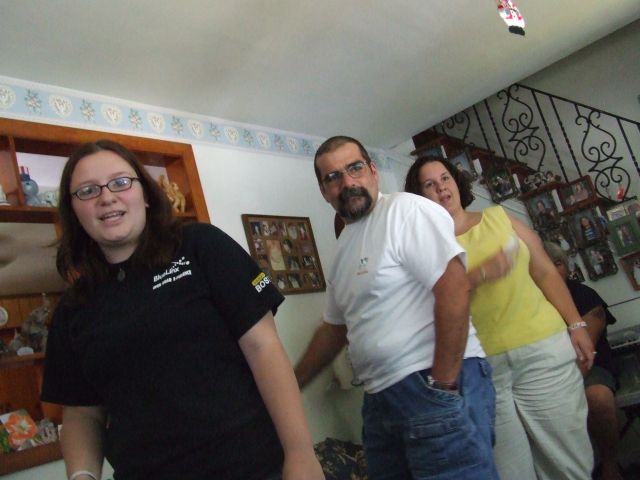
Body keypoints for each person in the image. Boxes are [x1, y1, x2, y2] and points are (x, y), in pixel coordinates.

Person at [41, 140, 323, 480]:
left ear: (145, 194)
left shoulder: (201, 246)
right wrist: (81, 476)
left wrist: (300, 453)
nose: (106, 197)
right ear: (73, 211)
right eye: (87, 191)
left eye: (120, 182)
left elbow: (263, 347)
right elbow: (82, 413)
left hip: (253, 467)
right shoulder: (73, 309)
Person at [295, 136, 498, 479]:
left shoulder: (405, 211)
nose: (348, 182)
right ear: (324, 191)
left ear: (373, 171)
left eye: (355, 168)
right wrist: (290, 385)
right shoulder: (344, 247)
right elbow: (334, 330)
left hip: (430, 383)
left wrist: (443, 385)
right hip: (379, 401)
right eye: (333, 177)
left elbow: (453, 288)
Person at [405, 156, 595, 480]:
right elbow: (426, 306)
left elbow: (545, 271)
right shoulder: (422, 247)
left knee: (567, 464)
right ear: (420, 196)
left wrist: (576, 324)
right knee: (510, 472)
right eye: (429, 184)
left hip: (542, 351)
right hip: (480, 369)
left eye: (445, 178)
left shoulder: (499, 217)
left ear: (457, 182)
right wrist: (479, 274)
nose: (441, 188)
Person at [544, 242, 622, 480]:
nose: (554, 270)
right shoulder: (532, 303)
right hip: (548, 372)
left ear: (565, 267)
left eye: (558, 264)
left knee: (598, 397)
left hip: (590, 368)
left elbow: (584, 353)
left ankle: (610, 465)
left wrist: (562, 391)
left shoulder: (584, 295)